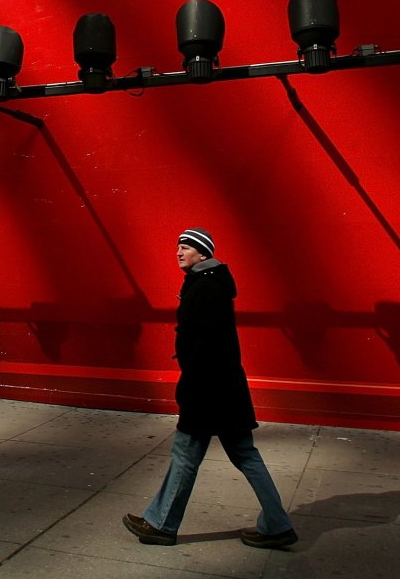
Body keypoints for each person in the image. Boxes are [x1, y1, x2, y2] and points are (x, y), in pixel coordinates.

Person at [123, 228, 297, 550]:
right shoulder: (207, 284)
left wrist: (189, 386)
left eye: (187, 247)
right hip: (225, 391)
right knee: (244, 454)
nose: (178, 251)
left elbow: (205, 346)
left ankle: (162, 525)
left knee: (186, 456)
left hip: (208, 392)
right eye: (178, 245)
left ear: (203, 255)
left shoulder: (207, 289)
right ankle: (277, 524)